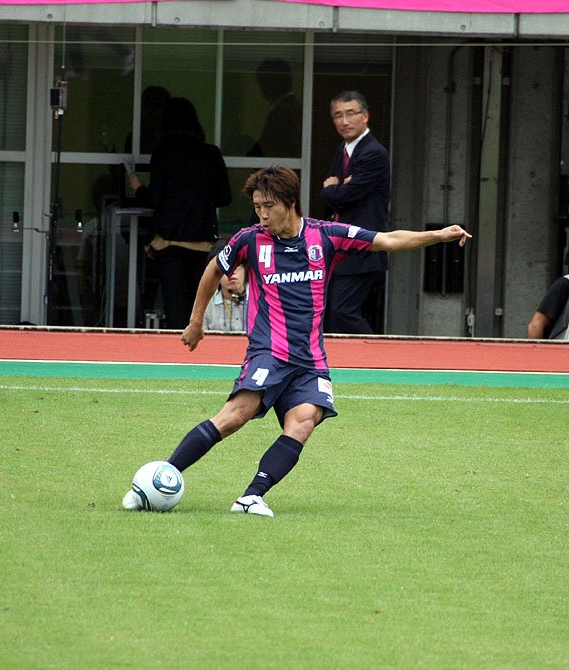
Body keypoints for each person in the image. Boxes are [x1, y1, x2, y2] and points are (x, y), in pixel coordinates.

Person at [122, 166, 471, 517]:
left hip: (310, 360)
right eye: (257, 207)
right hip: (268, 352)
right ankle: (160, 477)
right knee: (236, 415)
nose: (262, 215)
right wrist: (196, 321)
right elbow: (214, 268)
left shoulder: (326, 235)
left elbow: (388, 239)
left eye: (268, 206)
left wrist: (438, 235)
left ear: (290, 202)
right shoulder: (249, 240)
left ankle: (251, 497)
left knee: (304, 420)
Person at [128, 97, 232, 329]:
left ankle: (177, 348)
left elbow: (155, 200)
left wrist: (138, 188)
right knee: (200, 308)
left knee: (175, 309)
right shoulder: (211, 154)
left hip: (170, 243)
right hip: (203, 243)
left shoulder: (163, 153)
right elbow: (225, 198)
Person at [320, 90, 391, 334]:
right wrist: (338, 188)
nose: (344, 121)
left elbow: (340, 195)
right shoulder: (344, 148)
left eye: (350, 114)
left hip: (362, 247)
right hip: (341, 247)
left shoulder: (373, 153)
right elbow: (335, 195)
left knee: (343, 311)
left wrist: (334, 188)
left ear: (365, 116)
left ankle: (373, 354)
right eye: (338, 115)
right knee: (333, 313)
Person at [246, 58, 302, 159]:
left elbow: (268, 148)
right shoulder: (292, 108)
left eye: (263, 82)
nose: (261, 88)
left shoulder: (282, 113)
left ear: (273, 82)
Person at [202, 240, 248, 333]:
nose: (232, 272)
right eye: (226, 267)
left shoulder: (261, 297)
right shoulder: (206, 302)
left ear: (245, 269)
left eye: (237, 266)